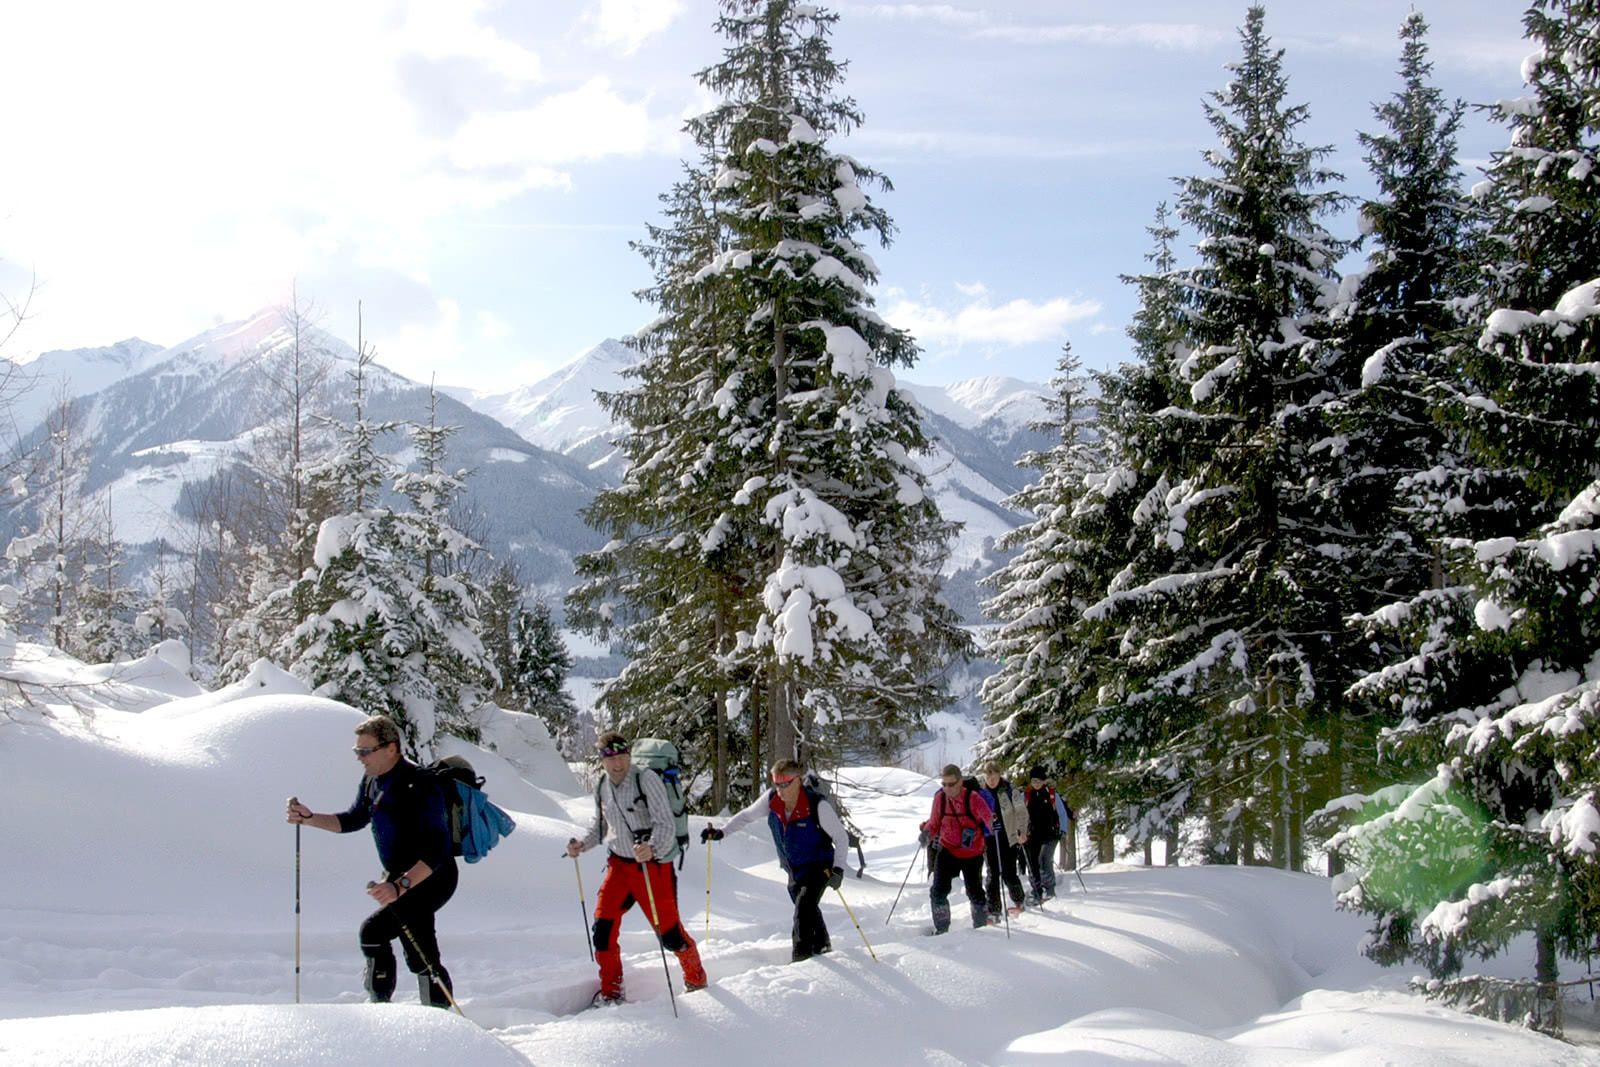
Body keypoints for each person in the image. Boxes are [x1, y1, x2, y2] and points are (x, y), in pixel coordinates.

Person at [285, 714, 458, 1008]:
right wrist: (310, 819)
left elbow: (437, 849)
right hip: (398, 878)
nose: (360, 758)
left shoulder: (421, 784)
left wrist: (400, 886)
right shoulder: (372, 781)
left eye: (365, 751)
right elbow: (353, 819)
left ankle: (435, 1020)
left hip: (432, 877)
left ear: (391, 748)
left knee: (398, 940)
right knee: (392, 938)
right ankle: (386, 1011)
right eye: (357, 751)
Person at [566, 732, 707, 1004]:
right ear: (602, 761)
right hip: (618, 866)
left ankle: (696, 978)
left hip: (651, 867)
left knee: (670, 934)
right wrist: (582, 844)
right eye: (611, 758)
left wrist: (652, 848)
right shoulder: (602, 786)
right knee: (603, 930)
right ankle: (611, 991)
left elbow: (665, 823)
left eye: (622, 756)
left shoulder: (646, 779)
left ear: (629, 755)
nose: (618, 763)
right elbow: (602, 826)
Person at [701, 759, 850, 962]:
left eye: (785, 784)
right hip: (793, 868)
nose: (780, 789)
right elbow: (746, 816)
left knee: (803, 908)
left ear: (797, 781)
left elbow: (841, 837)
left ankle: (801, 958)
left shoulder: (817, 805)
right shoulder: (772, 800)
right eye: (776, 783)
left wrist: (838, 869)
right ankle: (822, 945)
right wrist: (721, 832)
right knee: (807, 908)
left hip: (819, 865)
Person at [919, 763, 994, 933]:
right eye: (944, 784)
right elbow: (935, 822)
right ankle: (942, 929)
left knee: (974, 892)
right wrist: (926, 833)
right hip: (948, 849)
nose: (947, 788)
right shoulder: (940, 798)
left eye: (951, 784)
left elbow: (988, 818)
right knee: (938, 891)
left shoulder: (973, 798)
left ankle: (981, 928)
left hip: (972, 852)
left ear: (960, 781)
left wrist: (994, 826)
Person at [975, 761, 1029, 920]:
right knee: (992, 874)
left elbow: (1021, 812)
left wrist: (1022, 831)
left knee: (1008, 872)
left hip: (1009, 836)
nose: (991, 779)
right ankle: (994, 909)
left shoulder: (1010, 790)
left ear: (999, 775)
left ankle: (1019, 901)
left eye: (994, 775)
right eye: (988, 775)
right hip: (990, 837)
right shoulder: (980, 793)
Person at [1021, 765, 1062, 905]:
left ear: (1043, 781)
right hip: (1033, 835)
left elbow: (1062, 812)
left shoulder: (1051, 795)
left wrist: (1063, 830)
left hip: (1051, 834)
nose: (1036, 783)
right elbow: (1020, 814)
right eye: (1033, 781)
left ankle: (1050, 889)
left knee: (1045, 860)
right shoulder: (1026, 795)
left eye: (1038, 780)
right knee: (1033, 864)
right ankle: (1036, 890)